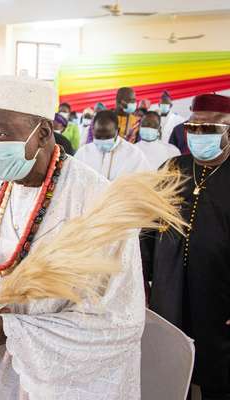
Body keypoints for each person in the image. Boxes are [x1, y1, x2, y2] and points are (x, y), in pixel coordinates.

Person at [0, 76, 144, 399]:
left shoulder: (96, 200)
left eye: (1, 134)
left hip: (60, 381)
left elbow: (119, 320)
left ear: (44, 133)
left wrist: (17, 333)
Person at [141, 93, 230, 400]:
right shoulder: (172, 167)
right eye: (194, 128)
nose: (198, 135)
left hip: (219, 295)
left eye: (209, 130)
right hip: (169, 288)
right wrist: (143, 279)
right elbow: (148, 227)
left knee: (219, 373)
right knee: (173, 366)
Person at [75, 110, 149, 180]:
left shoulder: (134, 155)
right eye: (98, 137)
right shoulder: (83, 153)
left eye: (108, 137)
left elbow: (142, 183)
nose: (103, 140)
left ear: (118, 131)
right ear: (93, 131)